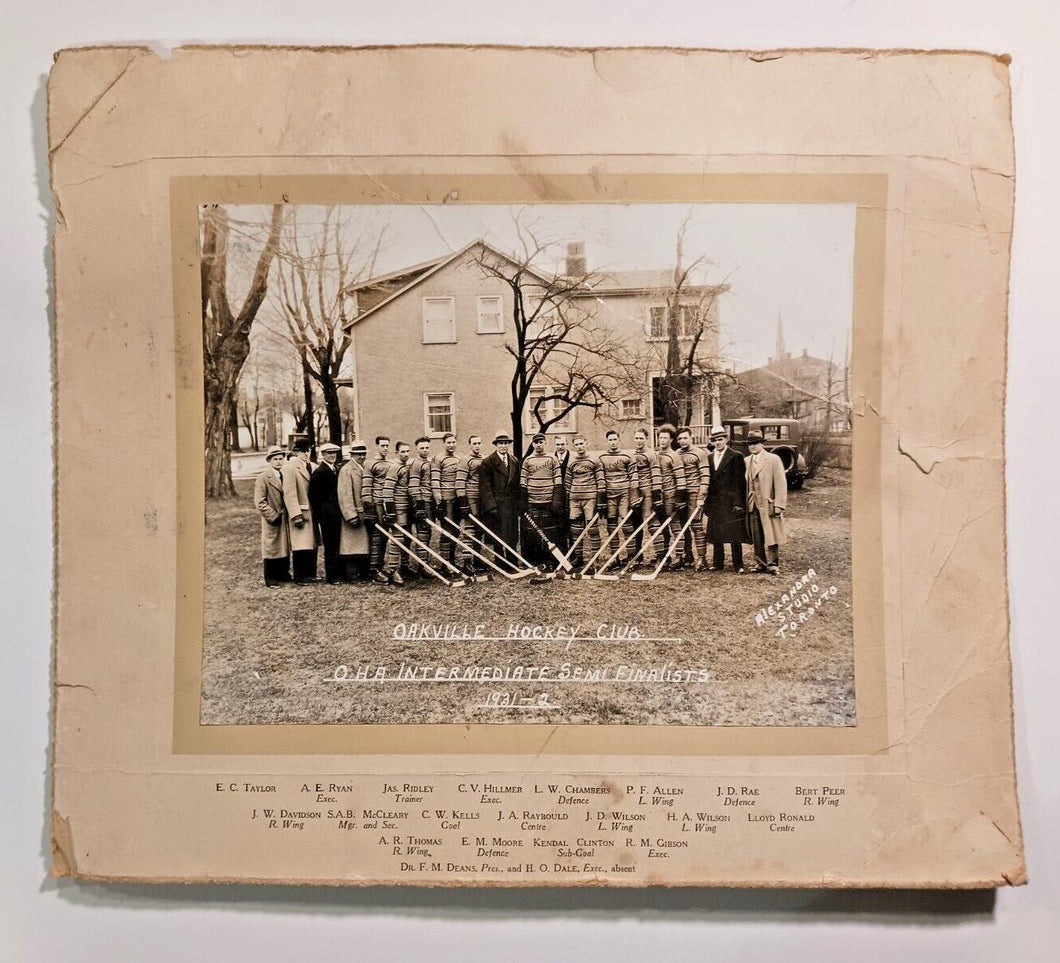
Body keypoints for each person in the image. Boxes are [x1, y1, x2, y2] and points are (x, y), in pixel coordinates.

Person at [744, 430, 788, 574]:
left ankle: (773, 563)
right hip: (753, 504)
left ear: (762, 444)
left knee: (771, 533)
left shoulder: (773, 459)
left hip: (768, 503)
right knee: (756, 535)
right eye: (750, 444)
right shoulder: (746, 461)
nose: (752, 447)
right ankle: (760, 563)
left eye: (755, 443)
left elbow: (781, 483)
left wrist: (779, 505)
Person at [704, 426, 746, 573]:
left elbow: (739, 482)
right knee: (717, 533)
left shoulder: (735, 456)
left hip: (731, 501)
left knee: (734, 533)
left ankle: (738, 564)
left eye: (720, 439)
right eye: (715, 440)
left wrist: (738, 503)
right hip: (715, 501)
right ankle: (717, 563)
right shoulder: (709, 457)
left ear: (726, 440)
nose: (718, 443)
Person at [519, 433, 564, 567]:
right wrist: (523, 500)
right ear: (533, 444)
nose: (539, 444)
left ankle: (550, 559)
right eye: (536, 442)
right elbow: (523, 480)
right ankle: (535, 560)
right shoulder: (528, 460)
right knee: (533, 530)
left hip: (548, 500)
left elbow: (558, 479)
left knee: (549, 531)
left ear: (546, 443)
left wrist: (556, 499)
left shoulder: (552, 458)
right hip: (533, 501)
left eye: (541, 442)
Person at [479, 431, 521, 565]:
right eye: (500, 443)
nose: (503, 446)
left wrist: (518, 503)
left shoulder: (514, 460)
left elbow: (517, 484)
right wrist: (491, 506)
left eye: (506, 443)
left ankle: (512, 560)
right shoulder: (488, 462)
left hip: (511, 504)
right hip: (496, 504)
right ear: (496, 445)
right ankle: (500, 561)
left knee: (512, 534)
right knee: (498, 534)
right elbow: (485, 486)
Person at [564, 435, 605, 570]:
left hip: (590, 498)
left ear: (586, 443)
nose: (579, 446)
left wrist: (600, 501)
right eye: (577, 444)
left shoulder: (594, 460)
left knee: (592, 529)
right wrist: (567, 500)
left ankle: (596, 559)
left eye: (581, 443)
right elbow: (567, 483)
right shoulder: (571, 462)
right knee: (576, 530)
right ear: (573, 446)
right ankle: (579, 558)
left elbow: (600, 481)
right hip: (575, 499)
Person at [598, 429, 637, 566]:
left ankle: (631, 557)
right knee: (611, 526)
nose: (613, 442)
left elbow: (634, 477)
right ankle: (614, 557)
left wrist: (633, 496)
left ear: (619, 440)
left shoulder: (628, 455)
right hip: (609, 494)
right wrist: (601, 499)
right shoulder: (602, 457)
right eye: (610, 440)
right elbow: (600, 478)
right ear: (607, 441)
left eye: (615, 439)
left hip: (624, 493)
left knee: (626, 524)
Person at [281, 438, 318, 583]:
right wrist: (295, 514)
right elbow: (289, 492)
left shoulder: (314, 466)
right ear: (296, 452)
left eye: (308, 450)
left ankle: (311, 573)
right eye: (303, 451)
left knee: (312, 543)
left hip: (313, 511)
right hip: (301, 511)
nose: (306, 454)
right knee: (300, 544)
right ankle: (300, 575)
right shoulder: (290, 467)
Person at [254, 445, 291, 586]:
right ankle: (270, 577)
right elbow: (260, 502)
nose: (279, 462)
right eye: (275, 459)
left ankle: (283, 573)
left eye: (281, 459)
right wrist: (272, 515)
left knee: (284, 546)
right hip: (273, 518)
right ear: (269, 460)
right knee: (271, 547)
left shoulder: (285, 475)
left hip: (285, 517)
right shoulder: (263, 478)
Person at [377, 441, 412, 585]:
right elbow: (387, 490)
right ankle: (392, 570)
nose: (405, 454)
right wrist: (390, 511)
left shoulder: (408, 466)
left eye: (407, 451)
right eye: (402, 451)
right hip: (397, 507)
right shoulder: (394, 467)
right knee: (398, 539)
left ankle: (404, 567)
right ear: (397, 452)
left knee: (408, 538)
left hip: (408, 506)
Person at [675, 427, 709, 571]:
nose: (683, 441)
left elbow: (705, 476)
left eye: (685, 438)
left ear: (691, 437)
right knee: (682, 525)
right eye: (680, 438)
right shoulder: (676, 454)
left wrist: (702, 495)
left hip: (694, 493)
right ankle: (687, 555)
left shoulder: (700, 453)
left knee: (696, 524)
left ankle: (702, 558)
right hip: (680, 493)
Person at [309, 442, 344, 583]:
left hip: (336, 513)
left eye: (334, 453)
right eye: (329, 453)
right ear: (322, 455)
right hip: (327, 516)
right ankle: (332, 576)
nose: (332, 456)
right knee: (330, 545)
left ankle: (338, 573)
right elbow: (315, 497)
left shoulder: (335, 469)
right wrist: (321, 516)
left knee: (337, 544)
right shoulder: (319, 473)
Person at [655, 424, 688, 567]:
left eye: (665, 438)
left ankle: (679, 557)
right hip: (659, 496)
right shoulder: (656, 455)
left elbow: (681, 479)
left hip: (671, 495)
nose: (662, 440)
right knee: (662, 527)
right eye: (660, 438)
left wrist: (678, 499)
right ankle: (664, 557)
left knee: (675, 526)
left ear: (671, 440)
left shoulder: (674, 456)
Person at [630, 427, 663, 569]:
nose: (638, 441)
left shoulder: (651, 454)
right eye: (636, 438)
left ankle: (660, 556)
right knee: (635, 524)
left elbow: (656, 475)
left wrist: (656, 495)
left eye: (641, 438)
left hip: (648, 491)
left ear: (646, 439)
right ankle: (637, 556)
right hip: (635, 492)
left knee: (652, 523)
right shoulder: (631, 455)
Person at [336, 442, 370, 581]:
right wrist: (351, 515)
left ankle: (364, 572)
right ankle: (351, 573)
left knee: (363, 546)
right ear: (352, 455)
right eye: (358, 454)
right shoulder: (347, 470)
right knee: (351, 546)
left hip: (365, 513)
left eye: (363, 454)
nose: (361, 456)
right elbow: (344, 494)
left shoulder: (365, 467)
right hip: (354, 513)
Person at [361, 435, 392, 578]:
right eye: (382, 445)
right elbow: (366, 487)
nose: (385, 448)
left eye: (387, 445)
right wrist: (369, 509)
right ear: (377, 446)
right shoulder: (370, 464)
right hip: (376, 504)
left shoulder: (390, 464)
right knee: (376, 536)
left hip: (387, 504)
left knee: (385, 536)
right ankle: (373, 569)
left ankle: (380, 565)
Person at [431, 432, 462, 567]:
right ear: (444, 443)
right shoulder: (438, 458)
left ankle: (452, 560)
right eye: (448, 442)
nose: (451, 445)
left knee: (456, 529)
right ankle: (445, 563)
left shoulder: (458, 458)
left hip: (456, 499)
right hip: (446, 499)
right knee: (447, 530)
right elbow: (435, 480)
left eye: (453, 442)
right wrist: (438, 501)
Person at [457, 435, 486, 572]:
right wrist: (463, 502)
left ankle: (478, 559)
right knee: (470, 528)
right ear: (469, 445)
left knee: (480, 529)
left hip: (482, 497)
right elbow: (460, 482)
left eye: (479, 443)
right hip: (470, 496)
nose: (477, 446)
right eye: (474, 443)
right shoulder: (465, 460)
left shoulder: (483, 459)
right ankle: (467, 561)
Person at [407, 437, 435, 577]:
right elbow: (413, 486)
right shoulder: (416, 464)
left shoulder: (429, 462)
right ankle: (423, 567)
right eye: (422, 448)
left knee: (428, 533)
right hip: (422, 502)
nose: (425, 450)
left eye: (427, 447)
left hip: (431, 501)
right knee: (423, 533)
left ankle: (424, 564)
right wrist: (419, 506)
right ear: (417, 449)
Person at [552, 436, 571, 550]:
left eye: (562, 444)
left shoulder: (572, 457)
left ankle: (575, 556)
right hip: (557, 497)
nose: (560, 447)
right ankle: (562, 553)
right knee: (558, 526)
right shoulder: (551, 458)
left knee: (572, 526)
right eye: (558, 444)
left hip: (570, 495)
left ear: (567, 443)